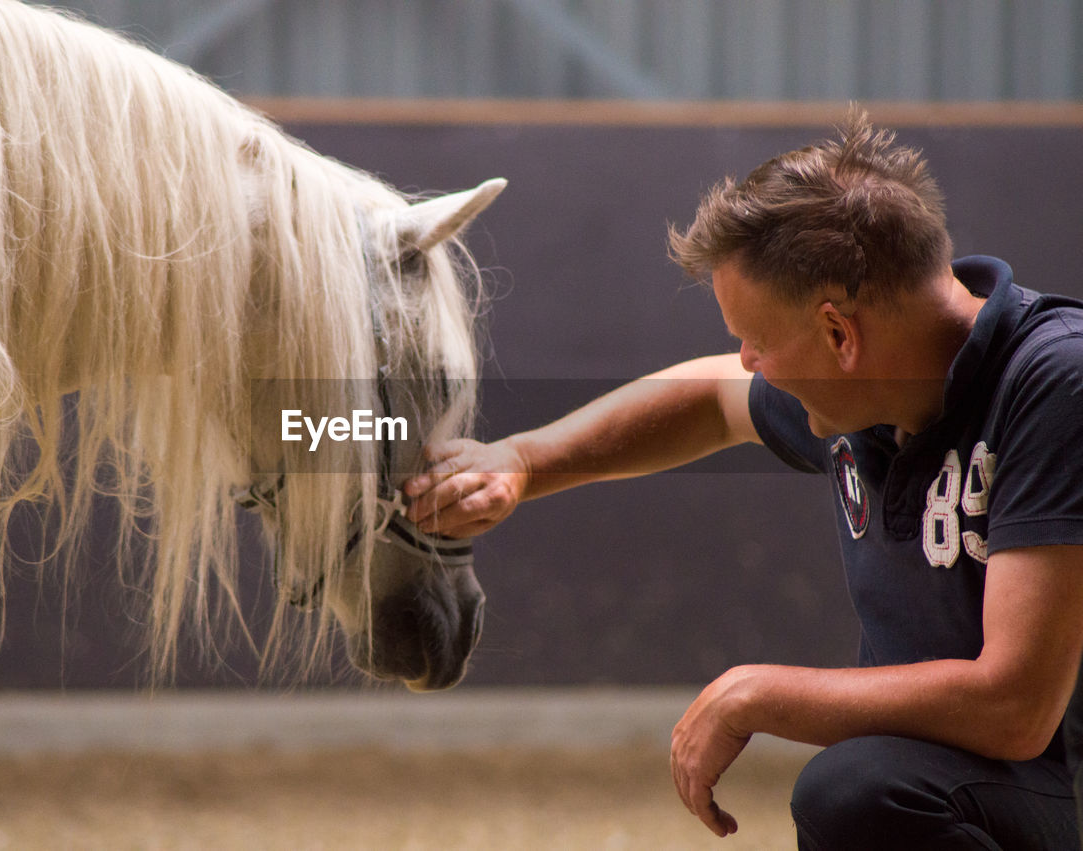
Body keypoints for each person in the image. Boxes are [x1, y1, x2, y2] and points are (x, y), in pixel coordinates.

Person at [402, 111, 1083, 849]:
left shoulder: (1054, 382)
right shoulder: (873, 392)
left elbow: (1015, 706)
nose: (749, 362)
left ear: (838, 335)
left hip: (1056, 785)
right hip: (986, 784)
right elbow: (709, 397)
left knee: (859, 791)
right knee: (867, 782)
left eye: (757, 341)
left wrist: (758, 693)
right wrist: (523, 460)